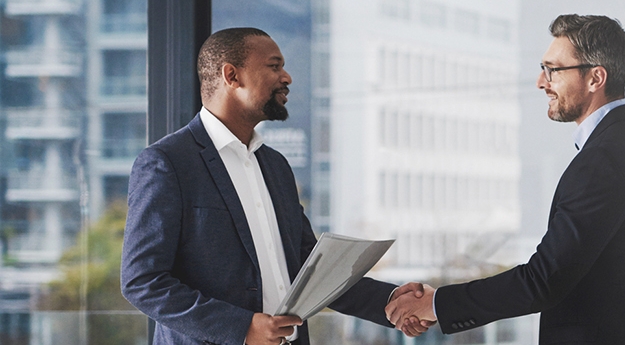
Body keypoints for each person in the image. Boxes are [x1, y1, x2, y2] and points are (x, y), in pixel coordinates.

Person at [384, 14, 625, 344]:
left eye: (553, 70)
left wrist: (435, 303)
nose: (541, 82)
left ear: (595, 78)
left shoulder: (603, 162)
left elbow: (542, 280)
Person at [120, 27, 426, 345]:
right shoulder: (166, 162)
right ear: (231, 75)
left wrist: (389, 301)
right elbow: (143, 281)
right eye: (274, 66)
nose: (287, 77)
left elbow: (309, 270)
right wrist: (240, 328)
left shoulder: (275, 165)